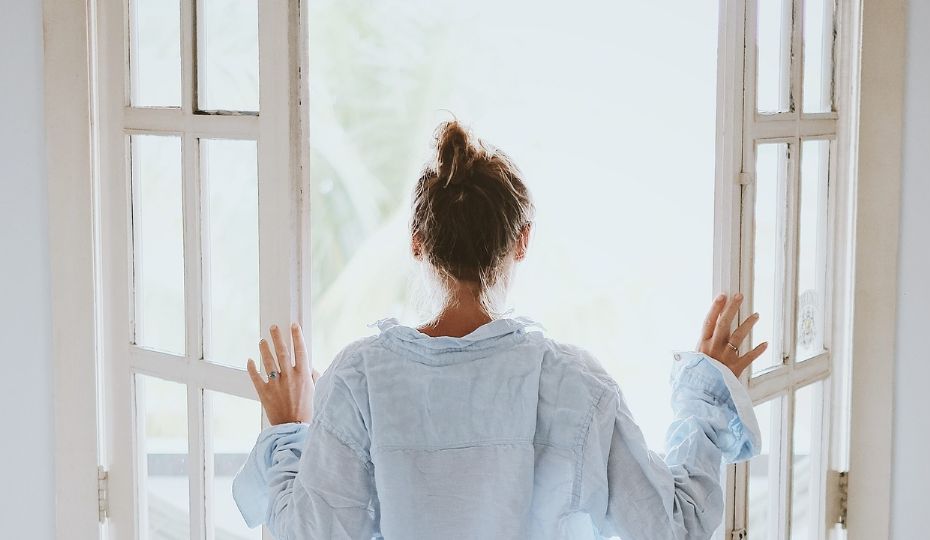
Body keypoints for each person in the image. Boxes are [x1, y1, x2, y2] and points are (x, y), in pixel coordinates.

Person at [232, 121, 766, 539]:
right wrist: (707, 400)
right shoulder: (575, 383)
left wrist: (288, 432)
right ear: (522, 240)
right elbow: (670, 528)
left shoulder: (358, 379)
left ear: (417, 242)